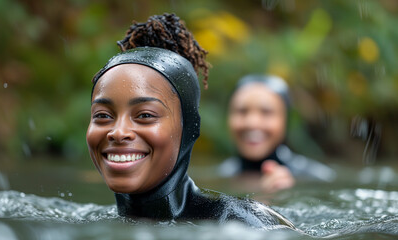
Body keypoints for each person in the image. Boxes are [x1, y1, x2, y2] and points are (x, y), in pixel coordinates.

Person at [86, 13, 295, 229]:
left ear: (189, 128)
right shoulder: (90, 223)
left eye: (145, 115)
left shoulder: (245, 224)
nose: (118, 132)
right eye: (103, 115)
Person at [219, 74, 336, 193]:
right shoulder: (222, 174)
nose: (252, 122)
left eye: (266, 112)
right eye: (242, 111)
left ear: (285, 120)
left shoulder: (319, 178)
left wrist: (286, 196)